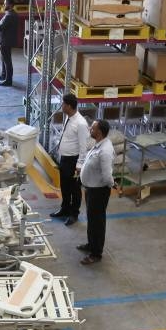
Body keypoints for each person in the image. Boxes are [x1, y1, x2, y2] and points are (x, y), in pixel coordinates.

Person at [76, 120, 114, 265]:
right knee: (92, 220)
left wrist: (112, 184)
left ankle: (96, 253)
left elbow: (107, 176)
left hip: (99, 192)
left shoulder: (105, 151)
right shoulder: (99, 145)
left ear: (99, 132)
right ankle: (91, 244)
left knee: (97, 223)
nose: (90, 129)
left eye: (93, 128)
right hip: (91, 189)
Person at [50, 94, 91, 226]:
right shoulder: (69, 118)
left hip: (73, 161)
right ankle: (65, 208)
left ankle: (74, 214)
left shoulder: (81, 124)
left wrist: (79, 165)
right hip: (65, 159)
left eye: (62, 104)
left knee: (74, 189)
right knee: (65, 186)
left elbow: (83, 146)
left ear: (68, 106)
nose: (61, 106)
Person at [0, 0, 18, 86]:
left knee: (7, 60)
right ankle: (4, 75)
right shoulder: (10, 14)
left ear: (10, 5)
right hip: (5, 40)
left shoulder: (10, 15)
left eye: (5, 3)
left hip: (5, 41)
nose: (4, 5)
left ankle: (8, 80)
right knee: (3, 58)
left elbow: (1, 27)